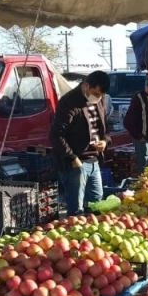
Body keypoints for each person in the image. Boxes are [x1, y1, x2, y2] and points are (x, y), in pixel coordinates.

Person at [50, 70, 112, 216]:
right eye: (96, 93)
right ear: (86, 86)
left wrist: (105, 141)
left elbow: (105, 128)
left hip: (94, 160)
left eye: (101, 95)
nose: (99, 97)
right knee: (76, 210)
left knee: (97, 204)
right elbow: (56, 135)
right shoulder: (68, 102)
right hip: (76, 163)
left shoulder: (99, 100)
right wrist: (72, 157)